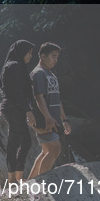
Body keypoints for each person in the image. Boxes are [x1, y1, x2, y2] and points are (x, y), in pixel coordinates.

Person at [28, 42, 72, 180]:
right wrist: (47, 116)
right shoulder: (38, 74)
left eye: (57, 57)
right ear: (42, 56)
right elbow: (38, 97)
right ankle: (40, 185)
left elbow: (57, 99)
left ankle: (30, 182)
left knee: (46, 150)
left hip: (53, 119)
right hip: (43, 119)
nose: (55, 60)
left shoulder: (51, 74)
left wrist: (64, 120)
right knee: (55, 149)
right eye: (53, 56)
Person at [0, 40, 37, 184]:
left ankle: (12, 179)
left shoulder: (11, 65)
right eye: (29, 53)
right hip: (14, 107)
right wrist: (28, 111)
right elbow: (18, 92)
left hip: (13, 107)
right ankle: (18, 177)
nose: (30, 56)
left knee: (14, 143)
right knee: (26, 141)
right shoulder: (14, 66)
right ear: (21, 52)